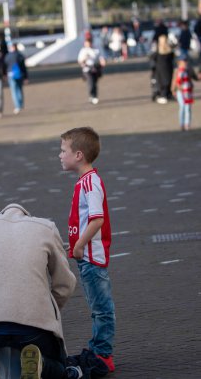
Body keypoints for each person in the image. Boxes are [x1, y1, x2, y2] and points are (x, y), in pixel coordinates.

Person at [0, 203, 82, 379]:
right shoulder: (46, 228)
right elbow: (65, 284)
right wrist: (46, 309)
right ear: (27, 216)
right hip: (34, 331)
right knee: (60, 366)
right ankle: (41, 364)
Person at [59, 127, 116, 373]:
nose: (60, 155)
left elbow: (97, 219)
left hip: (91, 257)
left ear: (79, 155)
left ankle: (102, 354)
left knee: (102, 309)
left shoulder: (90, 184)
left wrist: (80, 245)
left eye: (63, 151)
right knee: (97, 307)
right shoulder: (85, 182)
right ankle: (98, 349)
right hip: (86, 257)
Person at [171, 55, 198, 131]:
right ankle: (181, 124)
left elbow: (195, 77)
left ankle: (187, 124)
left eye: (186, 61)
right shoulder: (177, 70)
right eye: (183, 61)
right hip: (180, 91)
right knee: (182, 107)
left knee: (188, 108)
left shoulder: (189, 69)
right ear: (179, 62)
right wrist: (173, 90)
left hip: (188, 91)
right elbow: (174, 81)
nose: (185, 62)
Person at [78, 39, 106, 105]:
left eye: (89, 43)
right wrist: (85, 59)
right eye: (86, 44)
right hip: (87, 69)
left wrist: (102, 62)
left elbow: (101, 58)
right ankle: (92, 96)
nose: (88, 45)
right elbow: (80, 61)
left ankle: (95, 96)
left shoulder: (96, 50)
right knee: (91, 82)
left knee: (95, 83)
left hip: (96, 68)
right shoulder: (83, 51)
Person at [5, 43, 28, 114]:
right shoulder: (20, 55)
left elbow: (5, 65)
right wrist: (26, 77)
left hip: (11, 75)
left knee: (14, 91)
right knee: (19, 89)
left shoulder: (8, 56)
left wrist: (4, 74)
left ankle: (17, 106)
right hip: (20, 74)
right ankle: (21, 104)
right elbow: (24, 67)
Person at [154, 35, 174, 104]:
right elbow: (172, 57)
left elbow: (154, 58)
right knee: (168, 81)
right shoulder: (170, 50)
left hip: (160, 69)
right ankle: (168, 94)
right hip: (168, 68)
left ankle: (163, 95)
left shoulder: (158, 50)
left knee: (161, 82)